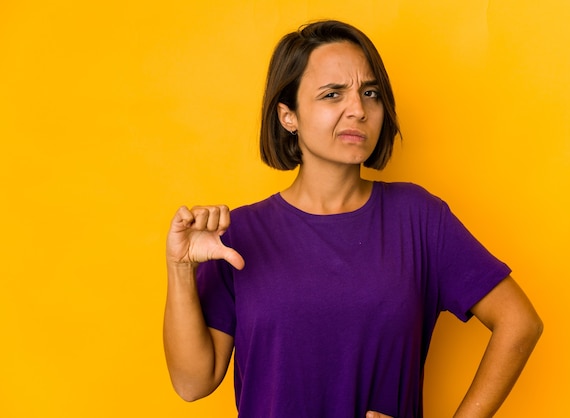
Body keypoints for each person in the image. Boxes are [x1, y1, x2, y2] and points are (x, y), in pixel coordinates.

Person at [163, 20, 543, 418]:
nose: (358, 110)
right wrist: (180, 268)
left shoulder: (418, 218)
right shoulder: (237, 234)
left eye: (370, 93)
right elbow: (193, 383)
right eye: (332, 94)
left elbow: (520, 322)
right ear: (287, 115)